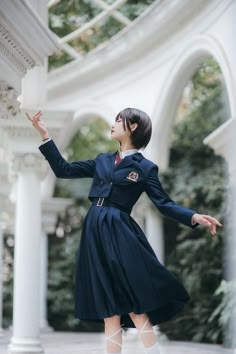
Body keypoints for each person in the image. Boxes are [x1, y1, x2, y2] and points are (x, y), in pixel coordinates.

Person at [26, 108, 222, 354]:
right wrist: (45, 135)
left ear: (134, 127)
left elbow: (164, 203)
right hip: (94, 230)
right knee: (110, 311)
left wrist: (194, 216)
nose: (114, 123)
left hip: (120, 230)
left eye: (120, 120)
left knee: (135, 305)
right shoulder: (102, 161)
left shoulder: (145, 168)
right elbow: (63, 170)